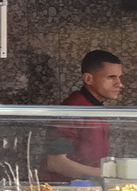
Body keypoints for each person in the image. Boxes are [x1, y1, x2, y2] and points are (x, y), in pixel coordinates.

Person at [42, 49, 124, 180]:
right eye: (111, 77)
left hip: (89, 189)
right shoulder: (72, 110)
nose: (119, 84)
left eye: (119, 77)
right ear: (88, 78)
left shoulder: (93, 108)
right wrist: (107, 175)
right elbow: (55, 163)